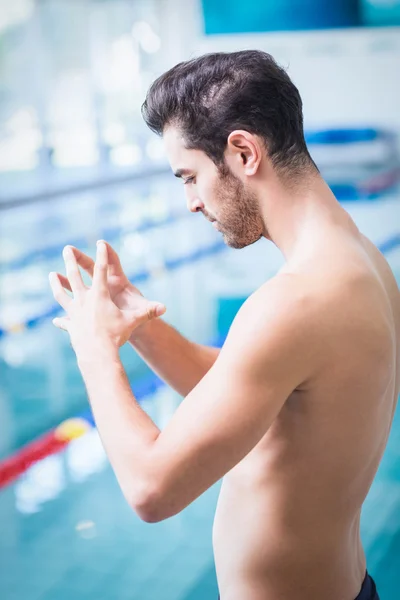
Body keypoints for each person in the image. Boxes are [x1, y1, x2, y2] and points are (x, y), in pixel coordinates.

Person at [49, 51, 400, 600]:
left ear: (242, 151)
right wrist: (139, 326)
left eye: (190, 176)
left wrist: (96, 351)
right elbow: (263, 385)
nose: (191, 202)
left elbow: (151, 489)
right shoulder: (358, 260)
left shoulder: (296, 300)